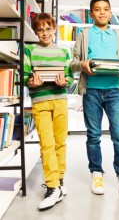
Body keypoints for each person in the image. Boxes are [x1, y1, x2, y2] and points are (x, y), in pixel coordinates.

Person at [70, 0, 119, 197]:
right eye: (98, 9)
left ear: (111, 13)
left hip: (114, 89)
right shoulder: (83, 34)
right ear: (91, 13)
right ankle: (96, 172)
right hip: (92, 91)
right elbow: (73, 64)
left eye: (106, 9)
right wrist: (82, 65)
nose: (102, 12)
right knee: (93, 135)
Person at [24, 13, 73, 210]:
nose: (45, 33)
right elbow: (27, 77)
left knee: (60, 142)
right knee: (47, 143)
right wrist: (31, 82)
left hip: (60, 100)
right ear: (36, 32)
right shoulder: (29, 51)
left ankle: (59, 182)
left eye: (48, 28)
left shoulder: (63, 53)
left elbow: (68, 77)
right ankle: (52, 187)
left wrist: (65, 82)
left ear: (54, 29)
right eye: (40, 30)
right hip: (41, 101)